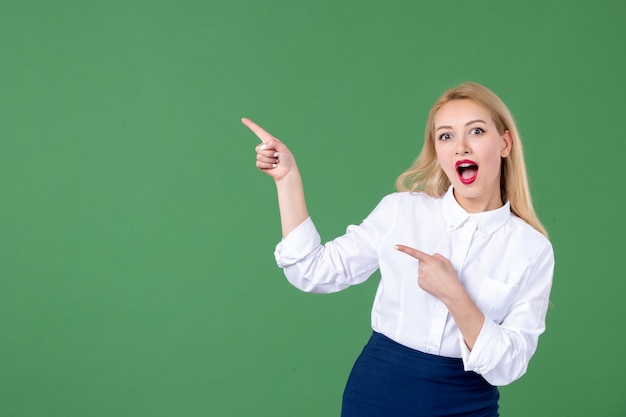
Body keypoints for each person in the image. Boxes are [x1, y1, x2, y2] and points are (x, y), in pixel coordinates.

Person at [242, 81, 554, 417]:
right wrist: (287, 179)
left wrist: (455, 296)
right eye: (446, 136)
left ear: (504, 143)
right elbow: (311, 271)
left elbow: (509, 365)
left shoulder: (531, 249)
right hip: (379, 392)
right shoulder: (401, 212)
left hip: (466, 403)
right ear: (437, 150)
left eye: (476, 131)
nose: (461, 147)